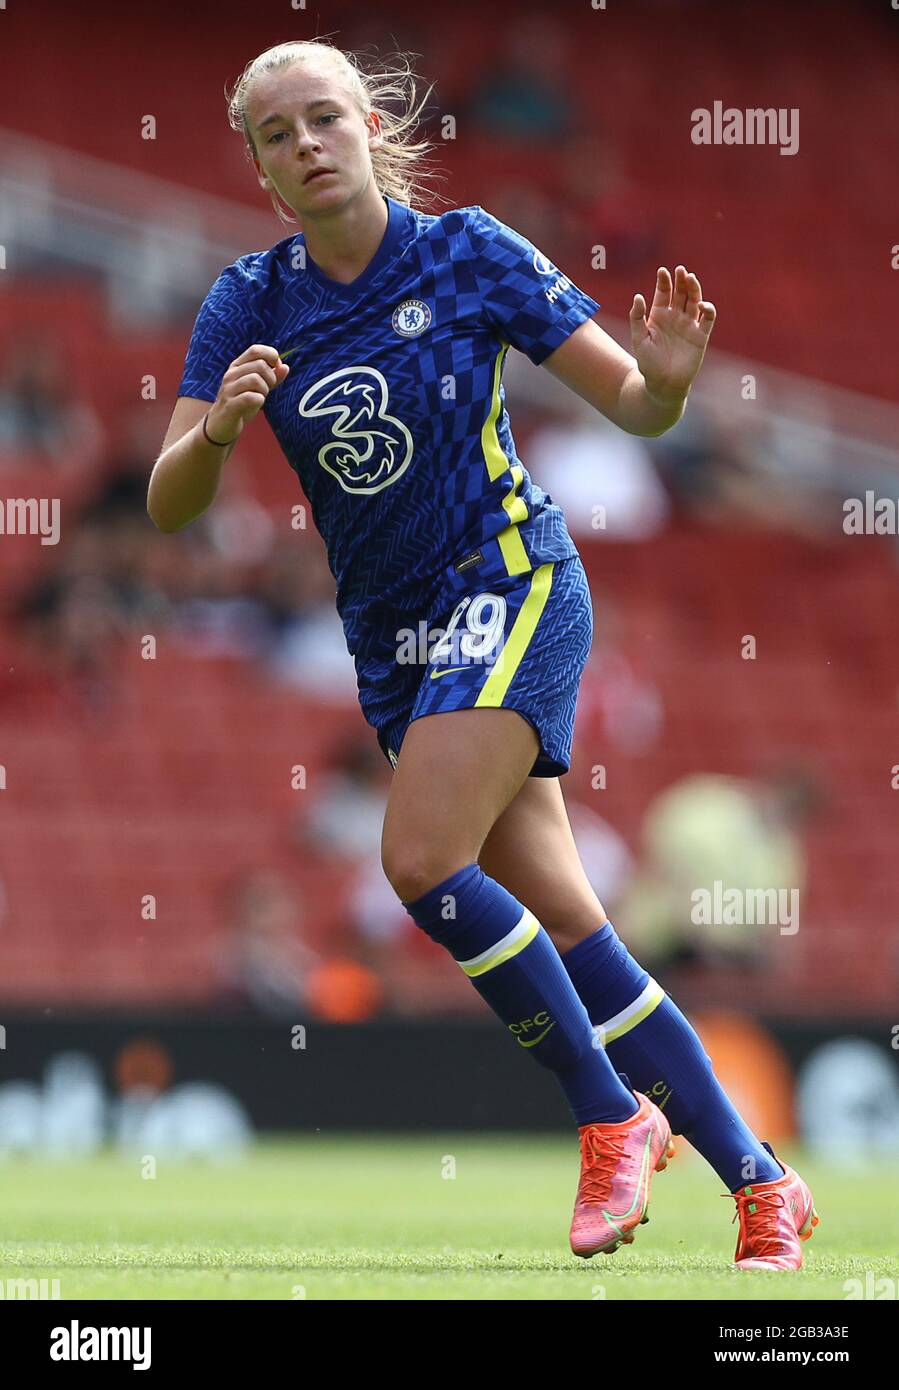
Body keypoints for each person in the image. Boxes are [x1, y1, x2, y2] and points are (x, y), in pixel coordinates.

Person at [147, 38, 818, 1268]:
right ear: (257, 165)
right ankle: (762, 1184)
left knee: (417, 859)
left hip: (511, 585)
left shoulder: (471, 252)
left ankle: (612, 1120)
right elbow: (168, 502)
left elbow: (629, 400)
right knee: (565, 913)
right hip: (395, 643)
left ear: (368, 126)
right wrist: (217, 432)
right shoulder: (247, 301)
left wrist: (665, 389)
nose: (306, 144)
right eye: (277, 133)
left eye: (323, 118)